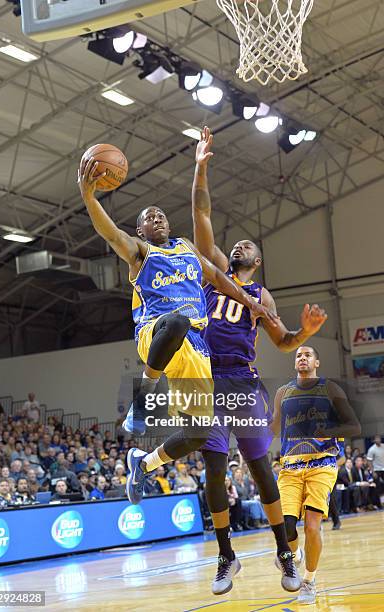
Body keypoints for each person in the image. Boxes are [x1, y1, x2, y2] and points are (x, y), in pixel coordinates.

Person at [78, 153, 277, 503]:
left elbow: (217, 277)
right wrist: (89, 197)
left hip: (194, 349)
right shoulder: (140, 252)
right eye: (148, 218)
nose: (157, 217)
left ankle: (144, 463)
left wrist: (251, 302)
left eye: (160, 214)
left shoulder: (186, 248)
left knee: (198, 433)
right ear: (141, 231)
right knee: (177, 322)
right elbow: (109, 233)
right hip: (155, 332)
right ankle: (142, 399)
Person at [189, 126, 328, 595]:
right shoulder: (212, 273)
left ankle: (284, 555)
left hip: (244, 382)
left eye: (249, 246)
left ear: (258, 261)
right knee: (212, 466)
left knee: (260, 467)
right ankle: (226, 556)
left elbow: (284, 341)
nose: (240, 245)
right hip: (208, 381)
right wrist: (201, 166)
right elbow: (201, 214)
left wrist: (304, 333)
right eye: (237, 244)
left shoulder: (261, 294)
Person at [272, 346, 361, 605]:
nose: (302, 358)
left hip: (322, 464)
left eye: (307, 355)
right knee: (286, 528)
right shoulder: (282, 392)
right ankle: (296, 555)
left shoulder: (330, 389)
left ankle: (309, 580)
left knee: (312, 526)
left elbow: (354, 425)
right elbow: (275, 427)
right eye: (298, 355)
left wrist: (331, 428)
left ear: (316, 362)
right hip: (290, 467)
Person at [367, 435, 384, 507]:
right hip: (377, 470)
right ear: (374, 440)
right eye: (376, 439)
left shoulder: (383, 446)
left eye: (379, 438)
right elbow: (369, 461)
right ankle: (378, 504)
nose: (378, 440)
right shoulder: (372, 449)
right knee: (378, 487)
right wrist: (373, 472)